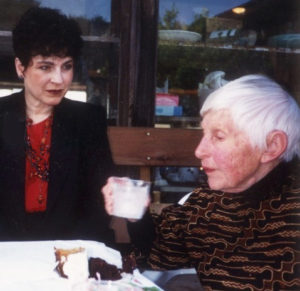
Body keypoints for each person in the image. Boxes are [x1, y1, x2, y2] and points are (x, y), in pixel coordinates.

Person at [103, 74, 300, 290]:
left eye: (219, 136)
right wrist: (135, 214)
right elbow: (162, 250)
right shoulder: (208, 201)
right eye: (204, 133)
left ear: (272, 146)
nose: (199, 151)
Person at [0, 7, 114, 242]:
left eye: (67, 66)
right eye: (45, 67)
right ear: (21, 68)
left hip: (69, 251)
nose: (59, 79)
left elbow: (97, 207)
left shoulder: (88, 120)